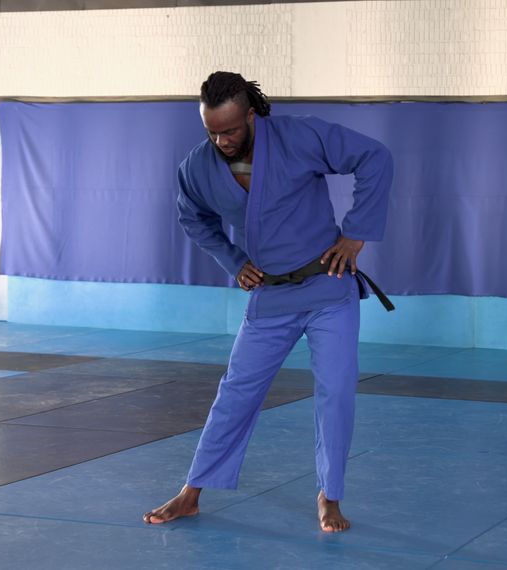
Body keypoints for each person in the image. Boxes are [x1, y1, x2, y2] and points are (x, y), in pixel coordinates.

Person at [143, 71, 393, 533]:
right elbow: (193, 218)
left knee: (335, 392)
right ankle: (192, 492)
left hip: (327, 289)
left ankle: (329, 496)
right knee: (235, 393)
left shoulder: (300, 136)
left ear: (251, 115)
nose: (222, 140)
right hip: (271, 297)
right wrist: (233, 260)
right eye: (212, 131)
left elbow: (375, 158)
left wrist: (355, 235)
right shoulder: (197, 167)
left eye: (231, 130)